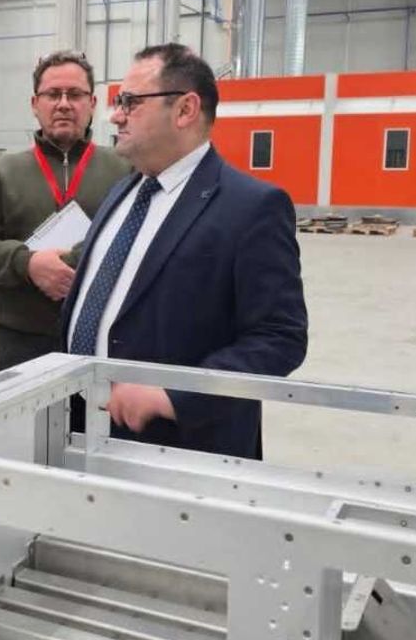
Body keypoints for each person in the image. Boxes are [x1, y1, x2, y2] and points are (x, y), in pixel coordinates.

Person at [61, 43, 308, 460]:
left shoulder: (251, 207)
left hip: (180, 445)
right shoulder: (122, 193)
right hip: (84, 427)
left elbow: (279, 337)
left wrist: (174, 395)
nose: (116, 115)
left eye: (130, 102)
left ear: (185, 110)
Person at [0, 51, 129, 373]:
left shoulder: (125, 169)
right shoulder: (3, 173)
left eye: (75, 94)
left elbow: (136, 238)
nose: (63, 104)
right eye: (53, 94)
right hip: (20, 344)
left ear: (92, 103)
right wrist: (27, 263)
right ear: (35, 104)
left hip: (102, 341)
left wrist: (74, 261)